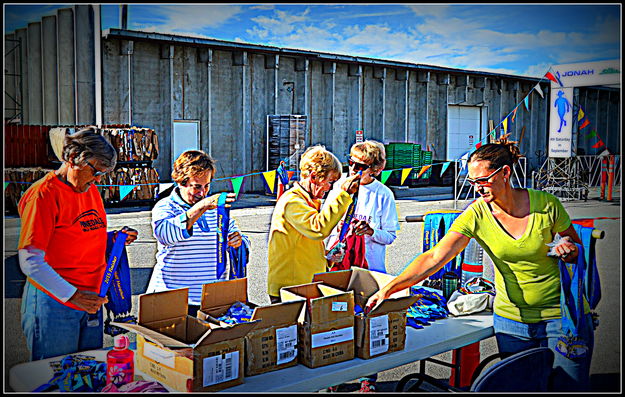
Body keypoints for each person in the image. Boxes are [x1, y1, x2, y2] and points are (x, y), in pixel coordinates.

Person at [366, 137, 593, 392]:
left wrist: (569, 250)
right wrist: (390, 288)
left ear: (505, 172)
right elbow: (434, 257)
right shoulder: (476, 214)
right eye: (473, 182)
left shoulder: (545, 204)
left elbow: (577, 250)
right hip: (513, 321)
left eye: (483, 180)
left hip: (563, 318)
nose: (478, 188)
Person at [18, 127, 138, 360]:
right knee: (55, 376)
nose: (98, 180)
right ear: (73, 158)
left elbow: (83, 233)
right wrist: (72, 296)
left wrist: (115, 238)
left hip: (91, 299)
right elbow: (30, 260)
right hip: (56, 302)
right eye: (95, 171)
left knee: (88, 375)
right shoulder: (43, 195)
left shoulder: (89, 189)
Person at [324, 140, 399, 393]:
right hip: (339, 266)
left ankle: (368, 378)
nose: (353, 170)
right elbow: (327, 226)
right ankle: (334, 376)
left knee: (368, 323)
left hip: (370, 268)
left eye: (360, 166)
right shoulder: (338, 188)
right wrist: (330, 248)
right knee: (336, 320)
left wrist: (370, 231)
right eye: (350, 164)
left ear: (376, 169)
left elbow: (390, 235)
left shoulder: (383, 195)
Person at [147, 150, 248, 315]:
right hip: (173, 299)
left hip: (211, 300)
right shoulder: (165, 207)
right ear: (181, 182)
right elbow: (166, 235)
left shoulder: (214, 208)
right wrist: (202, 207)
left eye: (207, 186)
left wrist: (239, 240)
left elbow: (236, 234)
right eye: (197, 187)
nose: (202, 193)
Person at [267, 145, 361, 304]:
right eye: (329, 182)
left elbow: (304, 245)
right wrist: (344, 195)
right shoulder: (292, 202)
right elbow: (318, 229)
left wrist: (327, 258)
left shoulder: (307, 202)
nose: (330, 188)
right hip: (290, 291)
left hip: (302, 287)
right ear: (314, 177)